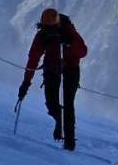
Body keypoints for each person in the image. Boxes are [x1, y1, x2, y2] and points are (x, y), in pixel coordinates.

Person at [17, 9, 88, 151]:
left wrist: (70, 44)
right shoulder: (42, 36)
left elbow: (83, 51)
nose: (48, 30)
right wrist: (26, 82)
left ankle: (69, 141)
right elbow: (33, 59)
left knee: (68, 104)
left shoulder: (68, 32)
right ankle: (59, 120)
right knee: (51, 102)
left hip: (70, 68)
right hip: (52, 67)